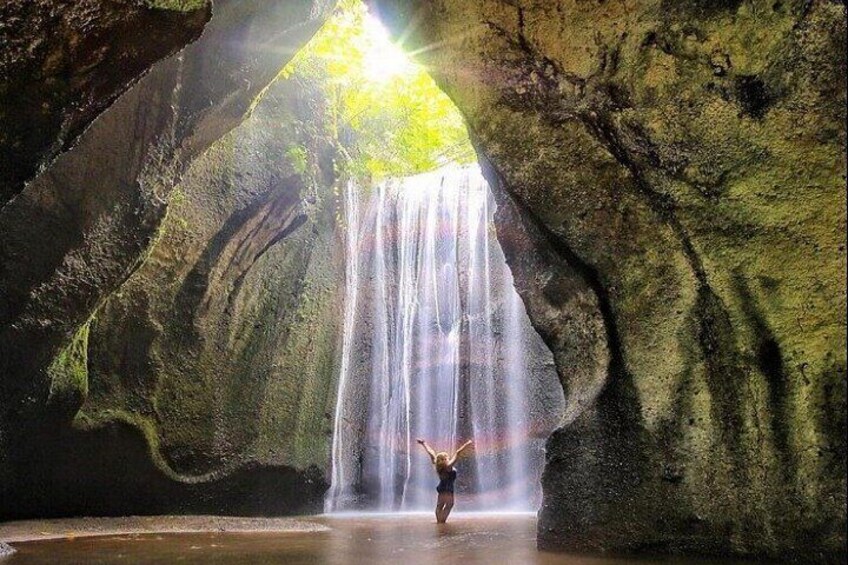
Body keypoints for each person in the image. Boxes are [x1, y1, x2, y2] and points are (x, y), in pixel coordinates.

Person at [416, 438, 474, 523]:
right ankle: (442, 521)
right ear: (445, 459)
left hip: (442, 487)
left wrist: (424, 443)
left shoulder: (438, 466)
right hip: (448, 488)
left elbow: (431, 453)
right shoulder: (448, 467)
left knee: (440, 505)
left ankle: (439, 520)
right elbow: (458, 453)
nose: (448, 458)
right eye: (447, 457)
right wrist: (467, 444)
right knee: (449, 505)